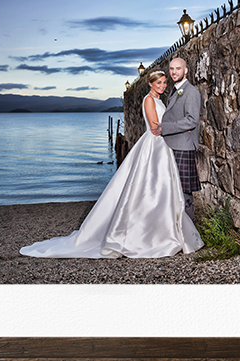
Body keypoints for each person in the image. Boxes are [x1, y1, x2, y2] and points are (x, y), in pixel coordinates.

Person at [20, 70, 204, 258]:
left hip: (162, 147)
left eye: (165, 83)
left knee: (163, 190)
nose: (163, 86)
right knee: (150, 188)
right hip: (155, 146)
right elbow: (156, 128)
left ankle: (161, 230)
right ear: (150, 84)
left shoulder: (159, 100)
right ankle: (145, 235)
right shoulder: (149, 100)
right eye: (159, 83)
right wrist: (178, 130)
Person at [159, 57, 204, 227]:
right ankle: (177, 229)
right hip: (173, 144)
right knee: (174, 189)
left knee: (184, 192)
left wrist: (165, 128)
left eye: (178, 68)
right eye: (171, 68)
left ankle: (190, 231)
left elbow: (192, 121)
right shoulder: (174, 91)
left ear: (186, 71)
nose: (174, 72)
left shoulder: (191, 91)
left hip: (183, 145)